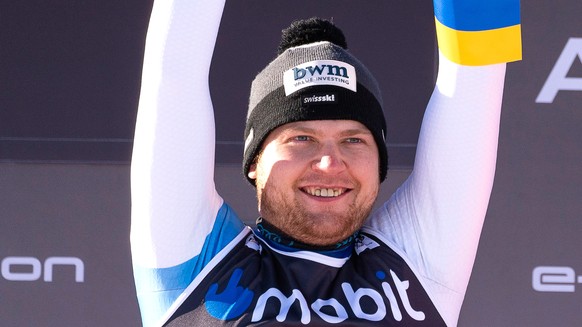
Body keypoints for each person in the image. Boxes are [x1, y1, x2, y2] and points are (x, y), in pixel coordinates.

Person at [130, 0, 521, 326]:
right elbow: (175, 69)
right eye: (302, 138)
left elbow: (477, 68)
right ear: (255, 161)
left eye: (354, 140)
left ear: (380, 164)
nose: (330, 161)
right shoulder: (194, 263)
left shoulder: (416, 267)